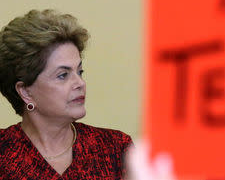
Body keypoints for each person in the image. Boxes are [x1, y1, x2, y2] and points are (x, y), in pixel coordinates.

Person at [0, 10, 133, 179]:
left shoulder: (116, 148)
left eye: (80, 72)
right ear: (25, 91)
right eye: (63, 75)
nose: (80, 83)